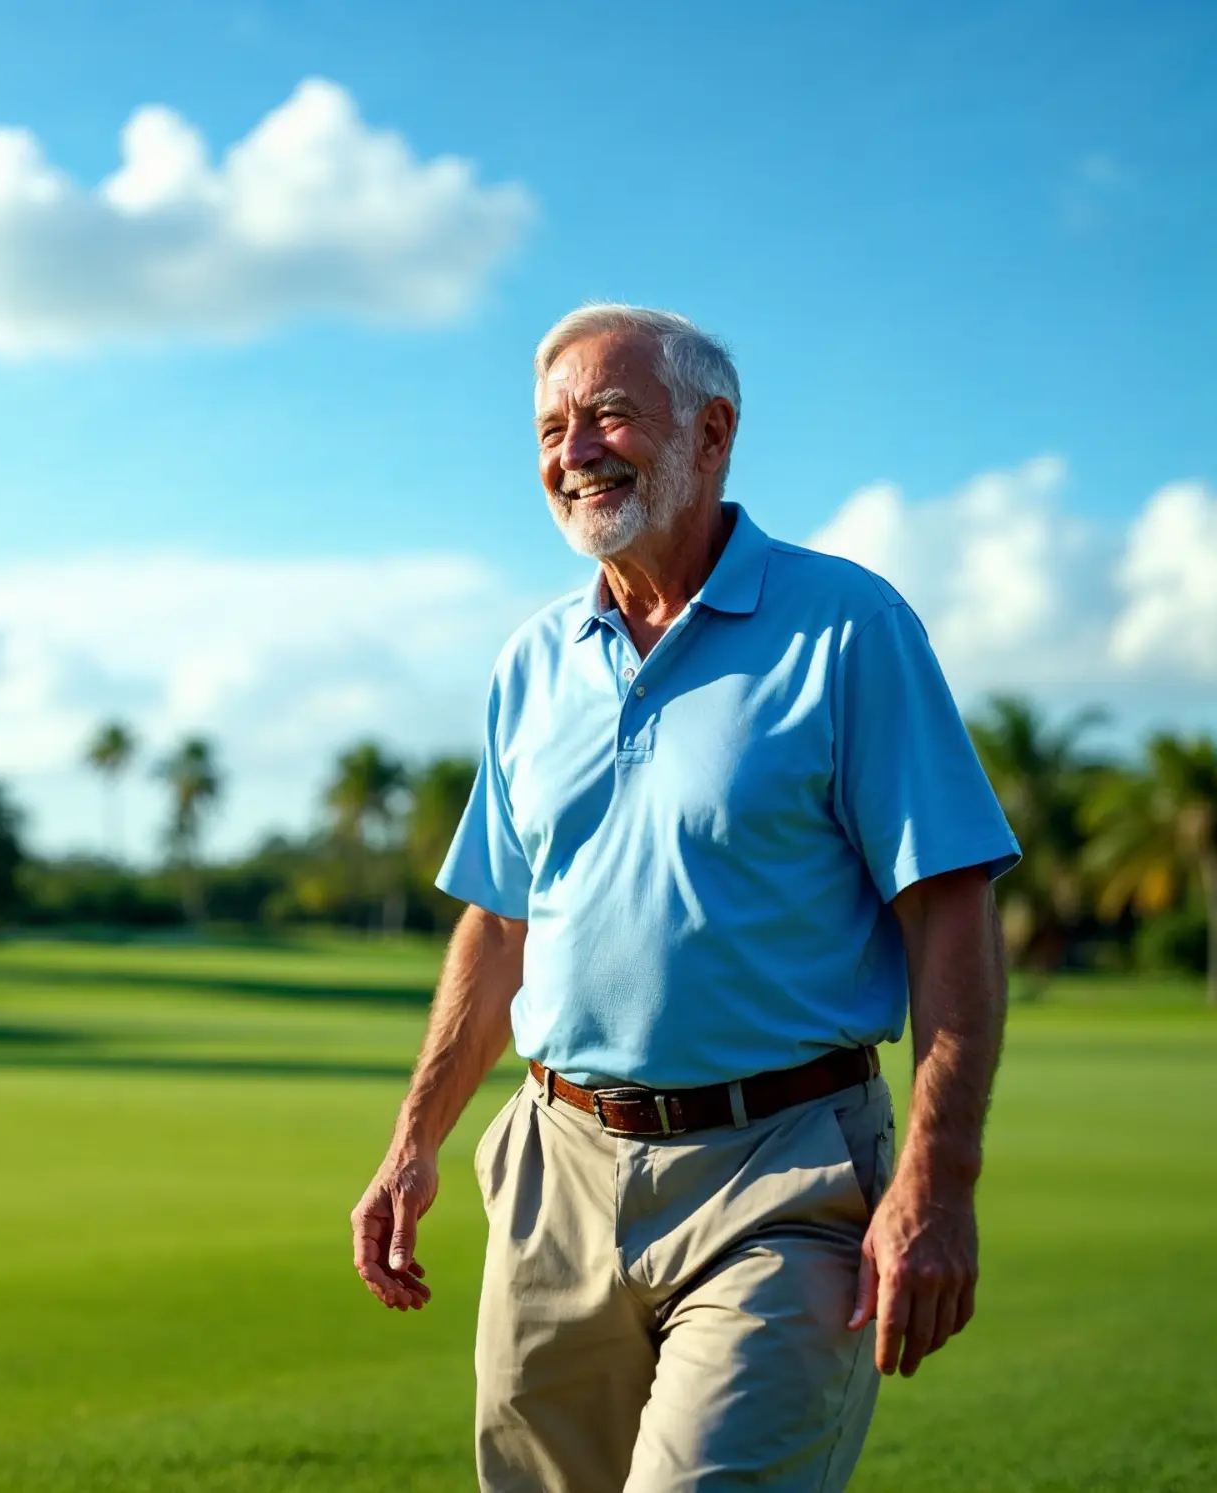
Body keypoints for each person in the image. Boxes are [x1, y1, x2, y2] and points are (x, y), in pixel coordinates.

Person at [350, 304, 1018, 1492]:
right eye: (551, 427)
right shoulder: (531, 660)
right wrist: (414, 1140)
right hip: (555, 1172)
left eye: (609, 414)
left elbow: (949, 906)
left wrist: (941, 1176)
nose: (575, 451)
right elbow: (501, 922)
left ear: (713, 434)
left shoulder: (851, 627)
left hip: (785, 1176)